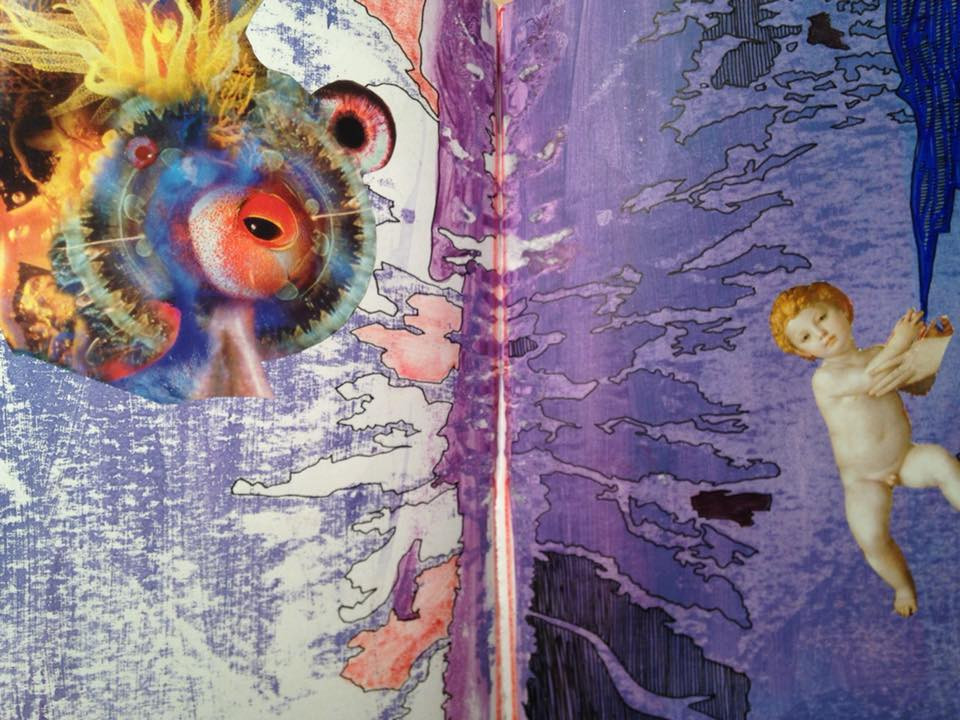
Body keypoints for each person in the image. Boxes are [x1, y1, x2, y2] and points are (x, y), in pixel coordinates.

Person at [770, 281, 956, 617]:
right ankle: (902, 586)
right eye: (806, 337)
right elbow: (871, 378)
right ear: (803, 353)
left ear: (844, 309)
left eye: (822, 317)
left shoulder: (877, 354)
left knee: (942, 462)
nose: (821, 334)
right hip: (864, 480)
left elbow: (918, 383)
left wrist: (930, 347)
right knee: (871, 538)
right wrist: (900, 342)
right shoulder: (824, 380)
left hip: (904, 457)